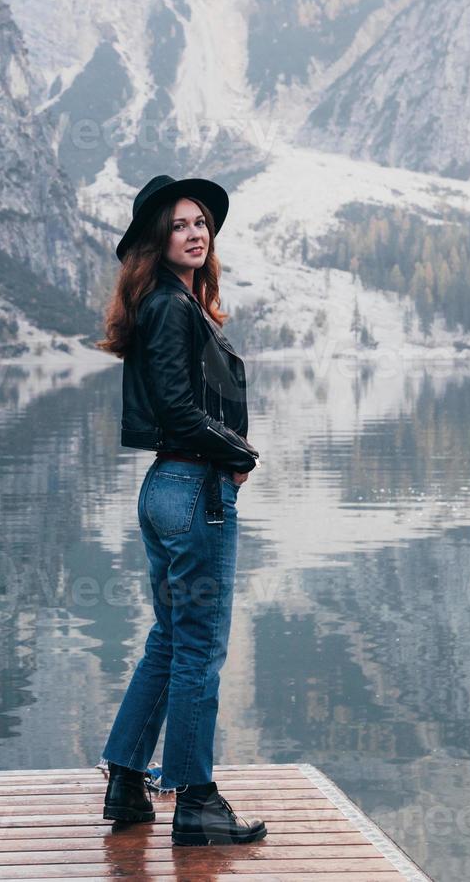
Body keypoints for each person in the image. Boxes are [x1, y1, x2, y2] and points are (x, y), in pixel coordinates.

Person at [95, 174, 267, 846]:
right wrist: (240, 454)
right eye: (178, 225)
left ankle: (125, 780)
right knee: (199, 647)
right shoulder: (169, 307)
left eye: (200, 223)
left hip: (170, 489)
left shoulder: (171, 302)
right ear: (155, 241)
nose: (193, 233)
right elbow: (176, 409)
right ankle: (195, 800)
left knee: (170, 641)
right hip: (192, 489)